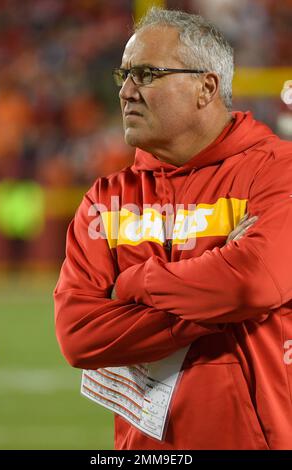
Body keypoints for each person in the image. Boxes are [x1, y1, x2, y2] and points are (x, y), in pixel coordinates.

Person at [54, 7, 292, 450]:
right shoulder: (104, 199)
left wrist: (136, 283)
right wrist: (215, 309)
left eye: (146, 74)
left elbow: (253, 285)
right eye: (124, 75)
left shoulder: (278, 172)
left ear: (206, 87)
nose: (126, 91)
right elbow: (77, 334)